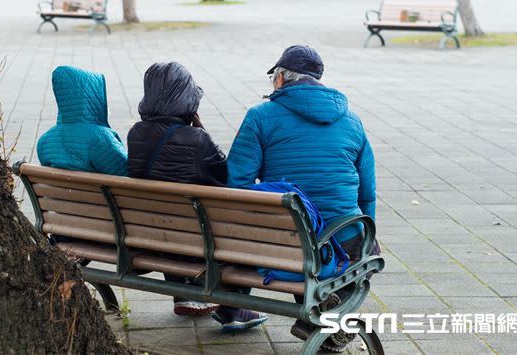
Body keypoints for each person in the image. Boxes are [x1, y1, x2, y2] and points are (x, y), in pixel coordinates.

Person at [227, 45, 379, 352]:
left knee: (298, 232)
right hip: (344, 233)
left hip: (284, 240)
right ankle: (326, 315)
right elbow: (367, 191)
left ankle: (318, 317)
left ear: (281, 78)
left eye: (273, 77)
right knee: (338, 244)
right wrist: (370, 231)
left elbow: (237, 184)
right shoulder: (352, 120)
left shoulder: (260, 117)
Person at [128, 62, 267, 332]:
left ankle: (185, 292)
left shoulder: (136, 134)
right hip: (199, 241)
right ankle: (233, 308)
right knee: (239, 223)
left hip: (153, 236)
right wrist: (201, 131)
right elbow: (227, 180)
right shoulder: (196, 141)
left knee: (170, 214)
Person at [37, 66, 127, 176]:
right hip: (97, 193)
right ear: (94, 98)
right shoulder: (100, 138)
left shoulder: (45, 141)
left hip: (57, 193)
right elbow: (124, 170)